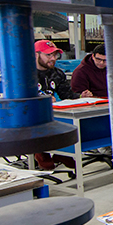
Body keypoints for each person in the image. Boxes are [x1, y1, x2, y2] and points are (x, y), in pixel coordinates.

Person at [33, 39, 76, 171]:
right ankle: (40, 151)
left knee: (72, 120)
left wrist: (81, 96)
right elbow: (18, 99)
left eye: (55, 55)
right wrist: (42, 99)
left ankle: (62, 152)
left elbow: (66, 94)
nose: (53, 58)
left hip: (52, 112)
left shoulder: (57, 73)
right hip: (31, 115)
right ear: (36, 54)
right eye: (48, 55)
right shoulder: (24, 75)